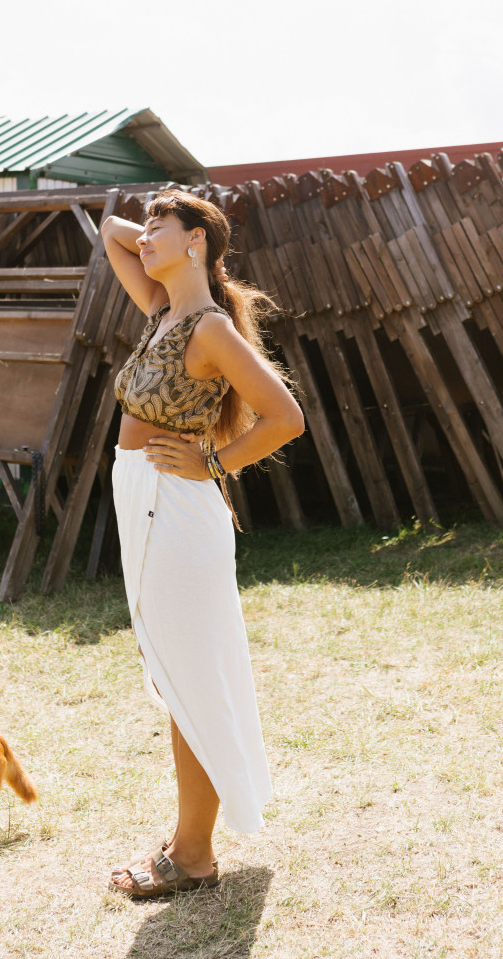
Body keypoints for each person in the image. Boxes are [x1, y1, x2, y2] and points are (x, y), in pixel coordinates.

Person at [102, 190, 304, 898]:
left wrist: (214, 461)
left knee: (189, 680)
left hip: (177, 511)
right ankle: (190, 842)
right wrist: (163, 228)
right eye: (149, 225)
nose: (144, 236)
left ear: (196, 242)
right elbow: (111, 231)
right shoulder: (162, 309)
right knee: (176, 679)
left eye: (161, 226)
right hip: (145, 502)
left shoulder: (210, 329)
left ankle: (193, 855)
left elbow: (286, 417)